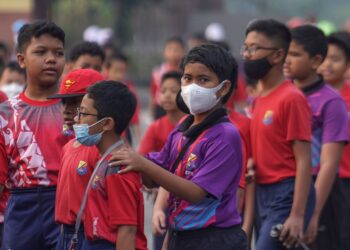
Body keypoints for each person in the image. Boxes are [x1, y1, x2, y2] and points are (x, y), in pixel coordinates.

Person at [111, 44, 247, 250]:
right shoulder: (181, 131)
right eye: (187, 78)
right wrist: (131, 164)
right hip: (180, 234)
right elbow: (155, 175)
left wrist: (143, 165)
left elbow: (195, 192)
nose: (192, 86)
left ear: (224, 87)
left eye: (203, 80)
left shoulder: (225, 135)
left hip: (214, 238)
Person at [241, 19, 315, 250]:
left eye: (254, 48)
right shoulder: (258, 98)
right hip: (262, 191)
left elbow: (304, 160)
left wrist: (297, 215)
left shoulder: (291, 98)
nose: (247, 54)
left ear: (277, 55)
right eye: (246, 47)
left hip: (286, 192)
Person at [0, 20, 68, 250]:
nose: (51, 58)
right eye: (40, 52)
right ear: (21, 59)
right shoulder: (6, 114)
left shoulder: (77, 110)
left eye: (58, 53)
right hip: (21, 207)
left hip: (66, 204)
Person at [285, 25, 348, 249]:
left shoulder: (331, 102)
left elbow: (329, 163)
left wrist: (312, 212)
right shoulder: (280, 95)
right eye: (285, 53)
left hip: (320, 189)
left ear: (315, 60)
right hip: (282, 189)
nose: (286, 60)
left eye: (294, 54)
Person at [74, 81, 147, 249]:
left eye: (83, 114)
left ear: (106, 123)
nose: (77, 119)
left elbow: (127, 230)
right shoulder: (105, 160)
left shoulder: (118, 167)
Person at [47, 69, 104, 250]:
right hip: (64, 234)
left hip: (89, 235)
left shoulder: (102, 150)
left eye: (75, 103)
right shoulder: (68, 146)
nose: (66, 111)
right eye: (64, 102)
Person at [139, 71, 184, 250]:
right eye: (163, 90)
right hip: (165, 199)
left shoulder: (192, 126)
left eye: (173, 90)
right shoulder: (156, 127)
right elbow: (144, 160)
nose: (166, 95)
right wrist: (157, 186)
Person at [318, 31, 350, 250]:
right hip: (318, 178)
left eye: (336, 59)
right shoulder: (307, 96)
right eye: (325, 58)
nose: (328, 64)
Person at [105, 52, 141, 142]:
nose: (119, 75)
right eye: (116, 71)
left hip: (124, 135)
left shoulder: (129, 89)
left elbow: (135, 118)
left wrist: (140, 141)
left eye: (122, 71)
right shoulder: (102, 88)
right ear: (107, 69)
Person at [149, 36, 185, 119]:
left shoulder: (186, 72)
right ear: (164, 52)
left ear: (183, 51)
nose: (173, 53)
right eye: (169, 49)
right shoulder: (157, 72)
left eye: (176, 50)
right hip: (161, 108)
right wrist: (151, 111)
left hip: (180, 108)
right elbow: (153, 93)